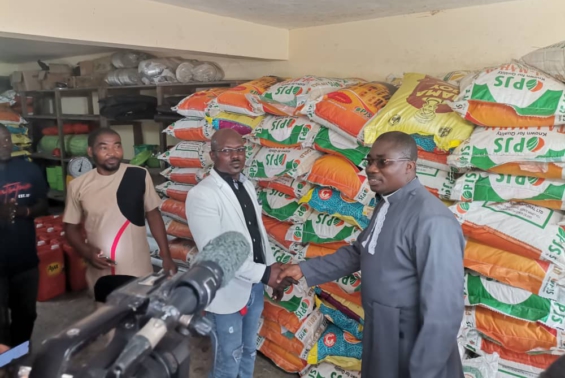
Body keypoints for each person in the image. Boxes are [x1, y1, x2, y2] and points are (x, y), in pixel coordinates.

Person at [277, 131, 465, 378]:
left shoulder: (433, 220)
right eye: (370, 161)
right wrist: (303, 269)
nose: (372, 169)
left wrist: (424, 368)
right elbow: (361, 252)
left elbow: (444, 308)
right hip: (382, 329)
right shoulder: (387, 204)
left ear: (409, 166)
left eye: (383, 162)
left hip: (413, 340)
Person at [185, 129, 295, 378]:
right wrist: (265, 274)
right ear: (213, 155)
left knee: (248, 351)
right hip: (227, 292)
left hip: (254, 287)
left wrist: (273, 271)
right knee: (228, 358)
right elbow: (217, 255)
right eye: (227, 151)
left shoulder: (246, 185)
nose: (235, 156)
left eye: (240, 150)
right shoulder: (202, 194)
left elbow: (258, 234)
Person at [63, 128, 176, 295]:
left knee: (140, 307)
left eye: (117, 146)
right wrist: (86, 251)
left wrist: (166, 256)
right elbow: (70, 228)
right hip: (101, 271)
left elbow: (153, 215)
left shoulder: (138, 175)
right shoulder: (78, 185)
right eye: (104, 148)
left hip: (137, 267)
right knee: (107, 309)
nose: (112, 153)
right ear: (91, 151)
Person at [0, 124, 48, 350]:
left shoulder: (29, 169)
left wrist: (23, 211)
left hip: (25, 260)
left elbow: (43, 204)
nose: (4, 144)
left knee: (27, 314)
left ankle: (18, 355)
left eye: (7, 139)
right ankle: (4, 361)